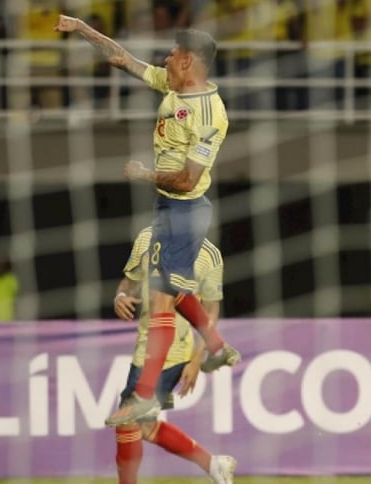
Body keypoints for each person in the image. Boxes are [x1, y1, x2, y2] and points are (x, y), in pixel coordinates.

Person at [53, 17, 240, 426]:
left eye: (173, 53)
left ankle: (148, 394)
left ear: (188, 61)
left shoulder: (210, 114)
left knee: (160, 302)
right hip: (168, 208)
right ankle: (216, 347)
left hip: (187, 210)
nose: (167, 58)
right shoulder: (173, 89)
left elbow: (189, 178)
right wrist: (83, 29)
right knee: (166, 298)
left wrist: (144, 174)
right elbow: (122, 59)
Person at [90, 226, 236, 484]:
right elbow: (129, 282)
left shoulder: (210, 256)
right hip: (144, 348)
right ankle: (214, 464)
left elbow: (211, 312)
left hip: (173, 351)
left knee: (129, 417)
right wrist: (120, 297)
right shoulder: (146, 238)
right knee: (143, 425)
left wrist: (196, 360)